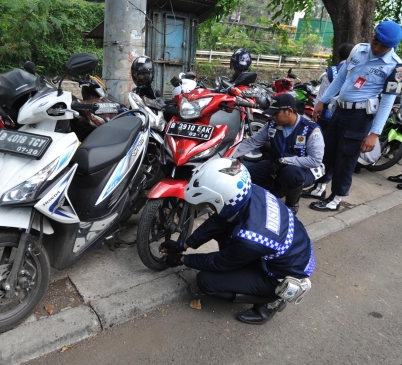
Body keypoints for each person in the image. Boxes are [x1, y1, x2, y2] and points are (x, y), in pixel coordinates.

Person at [160, 158, 314, 325]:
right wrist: (184, 244)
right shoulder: (250, 190)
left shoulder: (250, 238)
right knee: (225, 232)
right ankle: (248, 271)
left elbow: (219, 262)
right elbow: (219, 220)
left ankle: (271, 301)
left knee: (206, 281)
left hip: (285, 275)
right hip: (291, 249)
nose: (207, 206)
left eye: (209, 203)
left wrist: (183, 259)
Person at [305, 21, 402, 211]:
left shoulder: (396, 68)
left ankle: (336, 199)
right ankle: (320, 187)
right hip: (340, 110)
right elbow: (341, 77)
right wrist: (322, 101)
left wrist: (374, 133)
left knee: (346, 159)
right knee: (328, 151)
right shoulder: (358, 50)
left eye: (383, 46)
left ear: (392, 46)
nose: (377, 47)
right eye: (376, 41)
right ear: (372, 36)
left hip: (360, 118)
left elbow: (387, 102)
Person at [232, 93, 325, 214]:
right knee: (245, 176)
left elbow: (315, 160)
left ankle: (292, 205)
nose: (272, 116)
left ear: (289, 111)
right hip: (275, 165)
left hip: (303, 170)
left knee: (291, 173)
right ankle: (277, 189)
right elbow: (252, 142)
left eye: (276, 113)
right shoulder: (272, 124)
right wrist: (226, 156)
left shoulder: (311, 129)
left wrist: (284, 161)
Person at [315, 42, 356, 130]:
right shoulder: (359, 71)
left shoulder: (330, 72)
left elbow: (321, 96)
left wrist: (316, 114)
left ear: (339, 55)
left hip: (328, 117)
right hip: (350, 118)